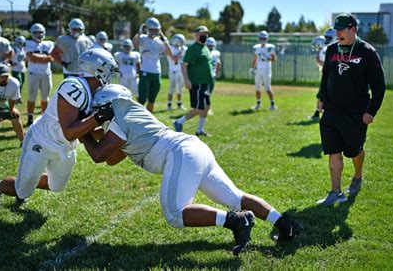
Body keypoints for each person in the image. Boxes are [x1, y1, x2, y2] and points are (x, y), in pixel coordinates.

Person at [81, 84, 302, 256]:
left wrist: (80, 133)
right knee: (236, 197)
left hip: (181, 154)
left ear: (106, 106)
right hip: (193, 148)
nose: (95, 117)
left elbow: (100, 156)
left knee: (175, 214)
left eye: (97, 111)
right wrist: (89, 134)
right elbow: (112, 158)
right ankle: (286, 224)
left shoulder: (118, 119)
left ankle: (236, 221)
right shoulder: (131, 112)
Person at [0, 48, 118, 211]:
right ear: (97, 68)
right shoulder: (73, 87)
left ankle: (29, 180)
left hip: (64, 146)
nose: (112, 73)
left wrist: (111, 128)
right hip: (42, 140)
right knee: (22, 191)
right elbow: (69, 131)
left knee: (56, 186)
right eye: (109, 69)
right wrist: (97, 118)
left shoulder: (95, 92)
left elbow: (86, 132)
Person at [316, 13, 385, 206]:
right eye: (336, 30)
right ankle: (335, 192)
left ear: (353, 29)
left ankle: (357, 175)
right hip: (332, 110)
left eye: (341, 30)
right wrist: (321, 98)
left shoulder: (367, 52)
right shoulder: (331, 50)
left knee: (354, 151)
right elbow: (326, 76)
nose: (337, 34)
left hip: (356, 112)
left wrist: (371, 111)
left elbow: (379, 86)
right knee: (333, 150)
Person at [173, 26, 213, 136]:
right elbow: (184, 65)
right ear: (196, 35)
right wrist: (186, 80)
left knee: (207, 106)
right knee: (199, 108)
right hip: (197, 83)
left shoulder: (205, 48)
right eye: (202, 34)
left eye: (206, 34)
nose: (204, 36)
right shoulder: (193, 49)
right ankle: (178, 122)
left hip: (205, 83)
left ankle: (200, 130)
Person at [132, 17, 172, 113]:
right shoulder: (142, 38)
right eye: (152, 29)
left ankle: (150, 117)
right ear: (147, 29)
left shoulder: (160, 40)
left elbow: (170, 53)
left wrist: (164, 38)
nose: (154, 31)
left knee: (152, 98)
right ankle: (139, 116)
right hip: (145, 71)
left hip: (156, 72)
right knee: (142, 98)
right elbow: (135, 44)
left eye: (156, 29)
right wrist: (139, 32)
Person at [25, 23, 55, 126]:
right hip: (33, 73)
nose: (38, 34)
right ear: (32, 33)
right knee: (31, 96)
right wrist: (44, 57)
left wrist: (37, 58)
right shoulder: (28, 42)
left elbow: (51, 58)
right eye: (36, 32)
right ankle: (30, 117)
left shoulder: (49, 43)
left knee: (45, 97)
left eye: (40, 32)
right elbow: (30, 57)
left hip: (46, 73)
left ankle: (44, 117)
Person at [309, 28, 336, 120]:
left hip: (332, 78)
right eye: (326, 37)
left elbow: (328, 66)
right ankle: (318, 113)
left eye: (329, 37)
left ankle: (319, 113)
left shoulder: (331, 49)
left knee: (323, 95)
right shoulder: (329, 49)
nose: (327, 39)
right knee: (321, 95)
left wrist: (318, 60)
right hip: (328, 76)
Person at [250, 31, 277, 111]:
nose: (263, 40)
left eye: (264, 38)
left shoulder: (270, 47)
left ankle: (273, 105)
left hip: (267, 69)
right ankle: (258, 104)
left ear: (267, 38)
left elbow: (274, 59)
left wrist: (267, 58)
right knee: (257, 88)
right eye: (261, 38)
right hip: (259, 69)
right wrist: (252, 68)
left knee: (267, 88)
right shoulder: (256, 47)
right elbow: (255, 59)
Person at [166, 34, 187, 111]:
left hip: (181, 71)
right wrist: (181, 52)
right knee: (171, 89)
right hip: (173, 71)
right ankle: (169, 105)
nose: (182, 43)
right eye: (181, 41)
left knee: (180, 89)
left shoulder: (183, 48)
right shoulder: (171, 49)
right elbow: (174, 59)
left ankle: (179, 104)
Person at [10, 36, 27, 101]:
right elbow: (8, 56)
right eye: (20, 42)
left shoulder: (23, 49)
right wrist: (11, 63)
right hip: (15, 69)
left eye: (22, 42)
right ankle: (15, 98)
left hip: (22, 69)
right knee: (18, 83)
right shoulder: (14, 49)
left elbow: (24, 58)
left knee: (21, 84)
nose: (21, 43)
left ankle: (19, 98)